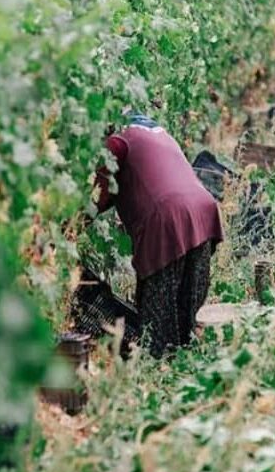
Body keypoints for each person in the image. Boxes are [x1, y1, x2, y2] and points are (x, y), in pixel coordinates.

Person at [92, 113, 223, 357]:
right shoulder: (160, 134)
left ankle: (159, 377)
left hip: (167, 219)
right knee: (187, 315)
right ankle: (185, 374)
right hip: (203, 212)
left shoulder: (117, 141)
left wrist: (72, 224)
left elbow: (98, 194)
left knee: (157, 327)